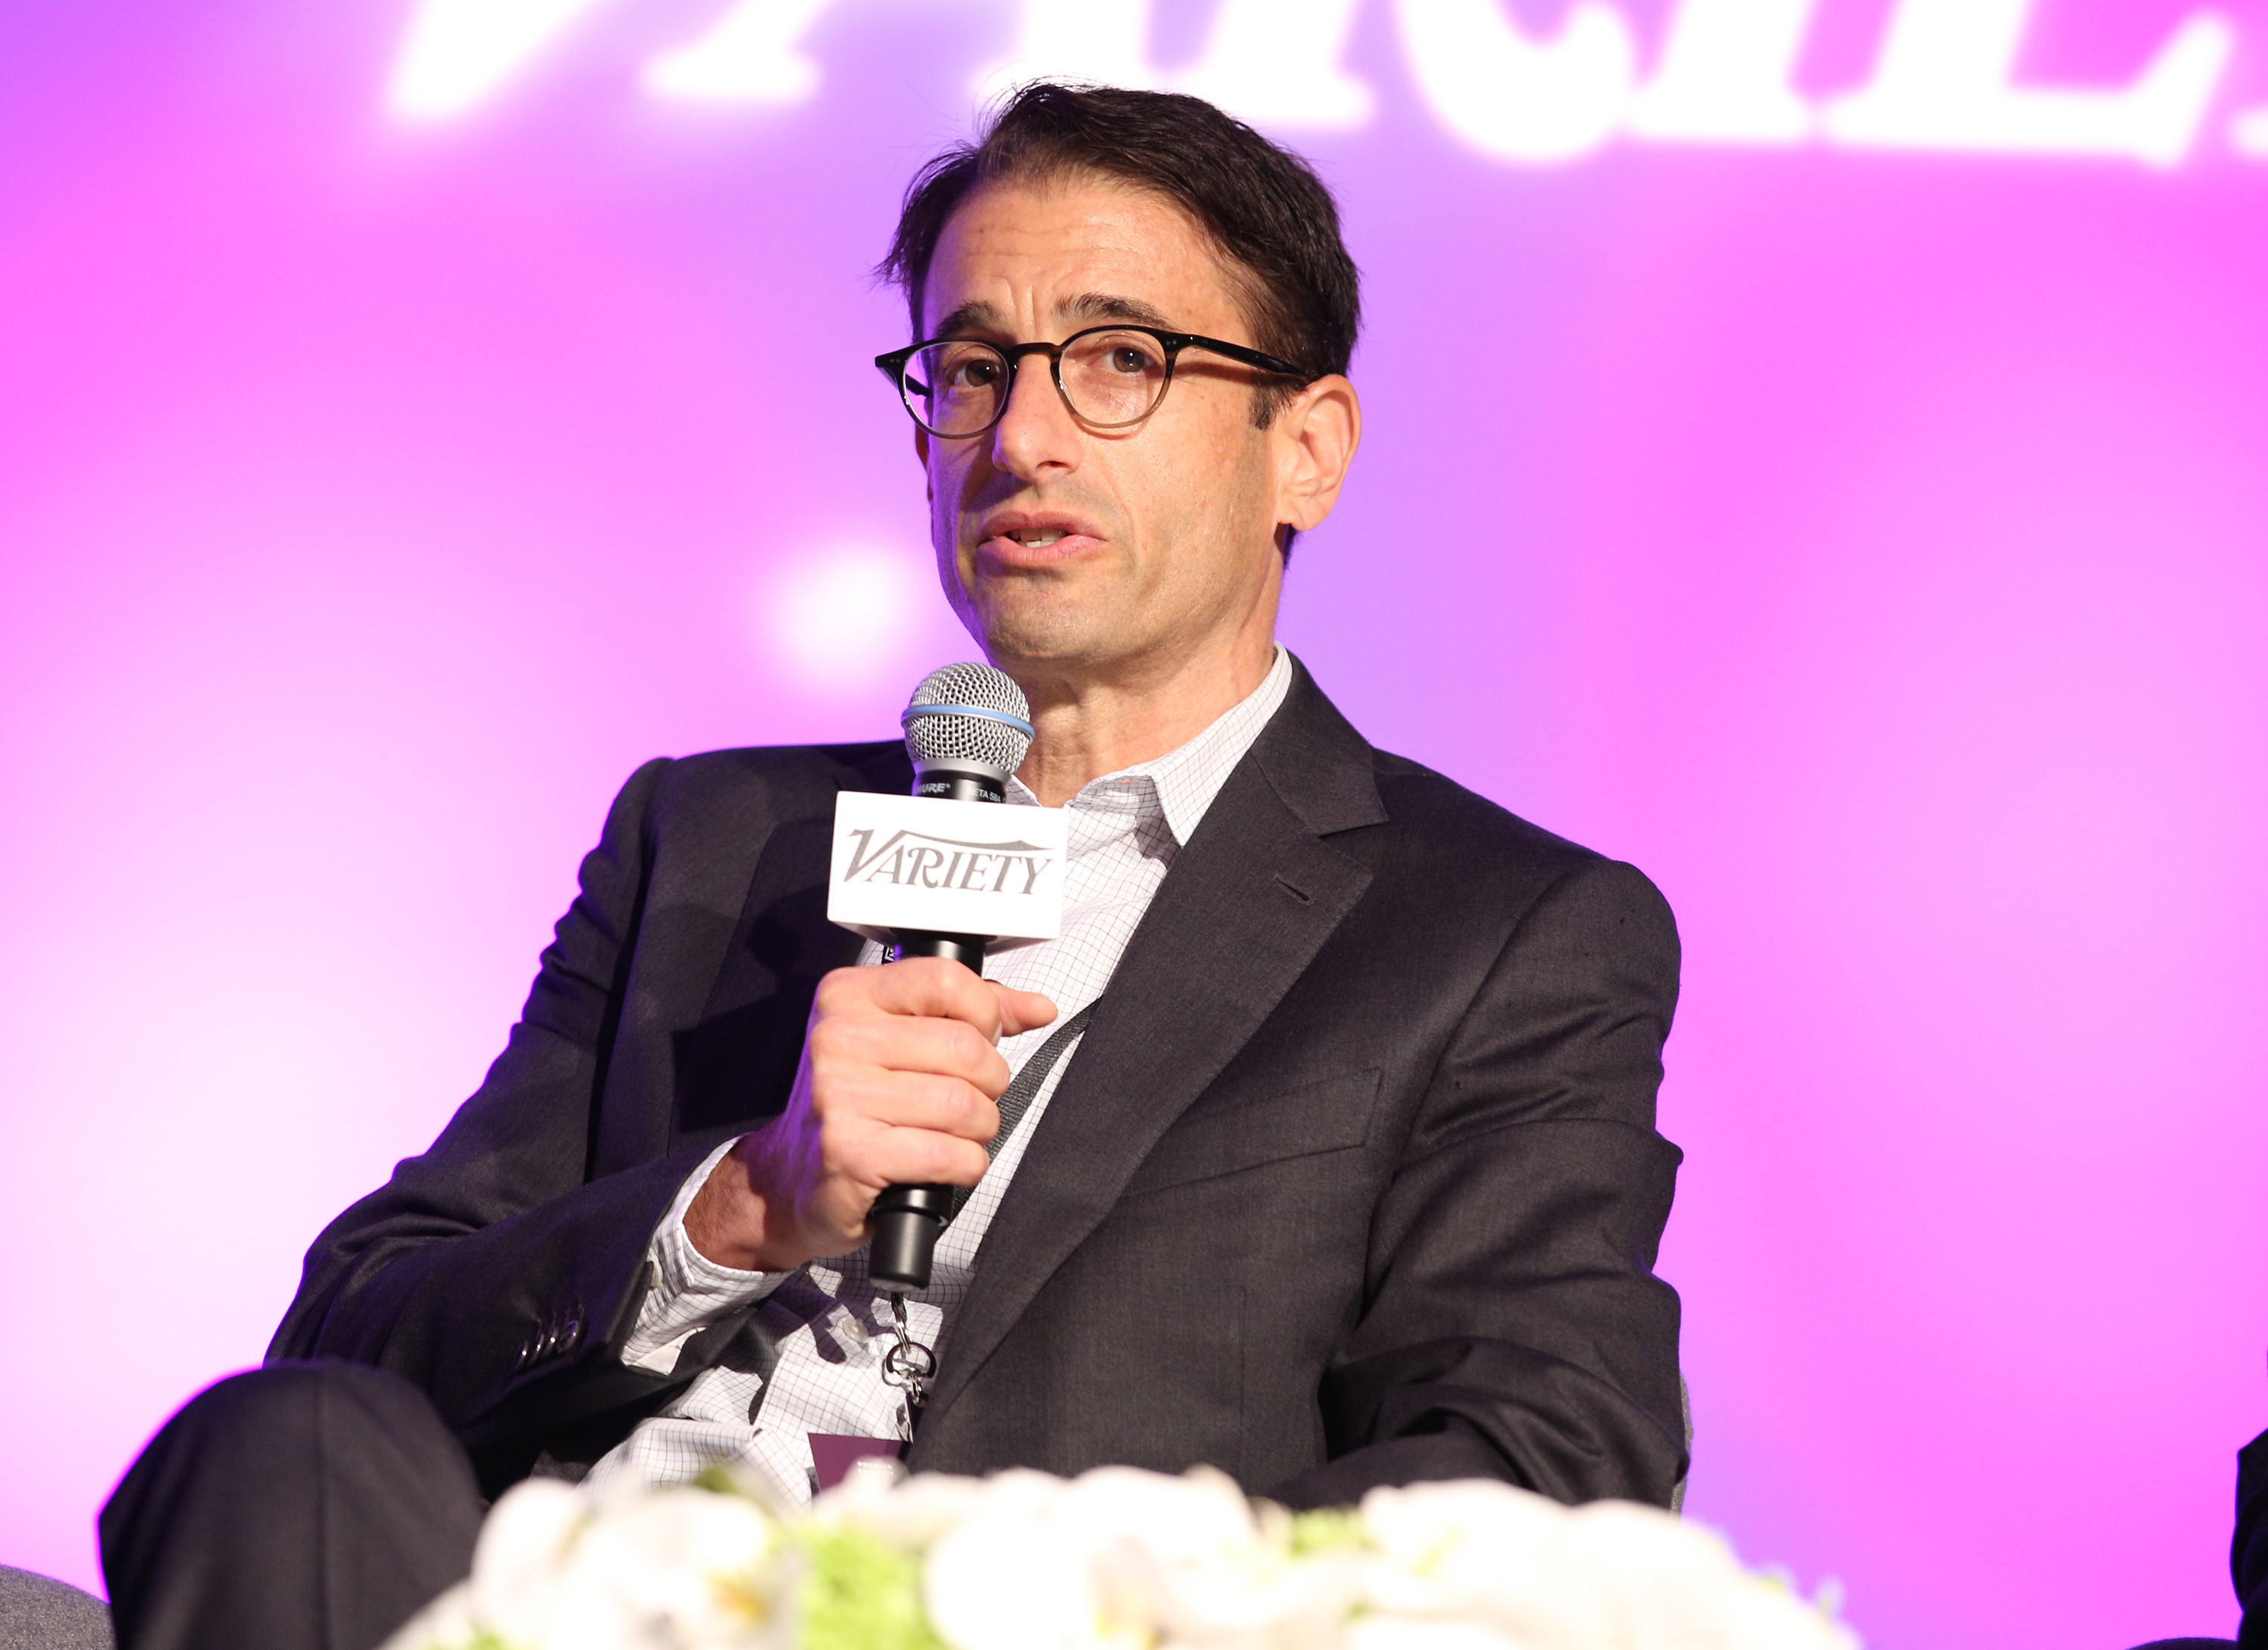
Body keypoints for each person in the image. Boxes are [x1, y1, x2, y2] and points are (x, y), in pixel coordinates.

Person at [99, 82, 1687, 1650]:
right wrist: (740, 1205)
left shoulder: (1495, 932)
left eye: (1121, 360)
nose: (1023, 435)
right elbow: (354, 1339)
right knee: (277, 1446)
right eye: (974, 367)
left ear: (1308, 451)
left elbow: (1533, 1464)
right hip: (571, 1606)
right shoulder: (711, 842)